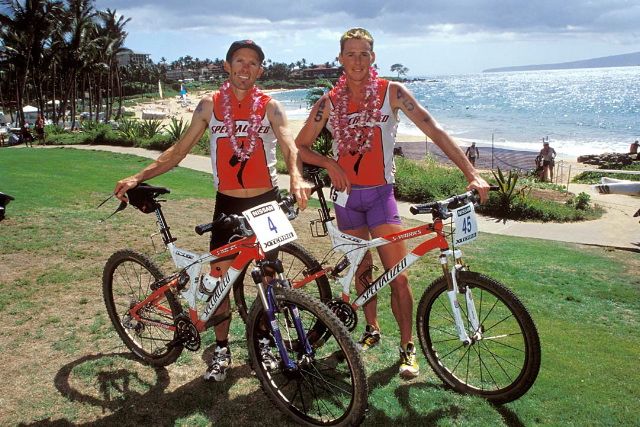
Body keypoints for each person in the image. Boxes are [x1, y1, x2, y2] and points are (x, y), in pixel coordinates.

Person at [295, 27, 489, 379]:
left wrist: (472, 173)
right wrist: (330, 164)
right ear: (340, 59)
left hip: (381, 195)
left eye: (364, 53)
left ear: (373, 58)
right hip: (346, 200)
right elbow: (301, 146)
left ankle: (407, 347)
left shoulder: (392, 93)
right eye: (350, 54)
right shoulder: (329, 102)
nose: (357, 60)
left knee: (397, 276)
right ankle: (371, 329)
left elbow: (435, 131)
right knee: (361, 270)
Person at [114, 39, 310, 382]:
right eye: (239, 60)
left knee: (270, 278)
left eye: (252, 62)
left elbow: (290, 145)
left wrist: (296, 175)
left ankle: (264, 341)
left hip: (266, 203)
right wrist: (138, 176)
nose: (245, 67)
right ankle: (220, 350)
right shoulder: (209, 105)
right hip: (228, 204)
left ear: (260, 70)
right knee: (219, 279)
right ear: (227, 65)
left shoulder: (271, 107)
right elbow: (176, 152)